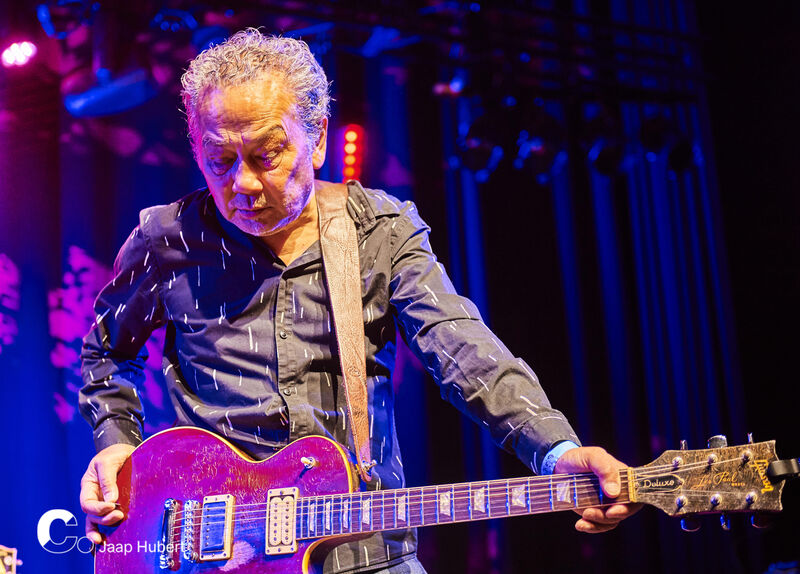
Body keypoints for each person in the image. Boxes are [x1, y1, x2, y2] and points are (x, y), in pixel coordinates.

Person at [78, 28, 640, 573]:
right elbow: (105, 354)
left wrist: (556, 451)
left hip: (367, 556)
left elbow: (466, 355)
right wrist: (117, 448)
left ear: (318, 138)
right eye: (219, 160)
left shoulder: (380, 231)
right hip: (212, 557)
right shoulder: (167, 239)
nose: (242, 184)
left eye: (267, 155)